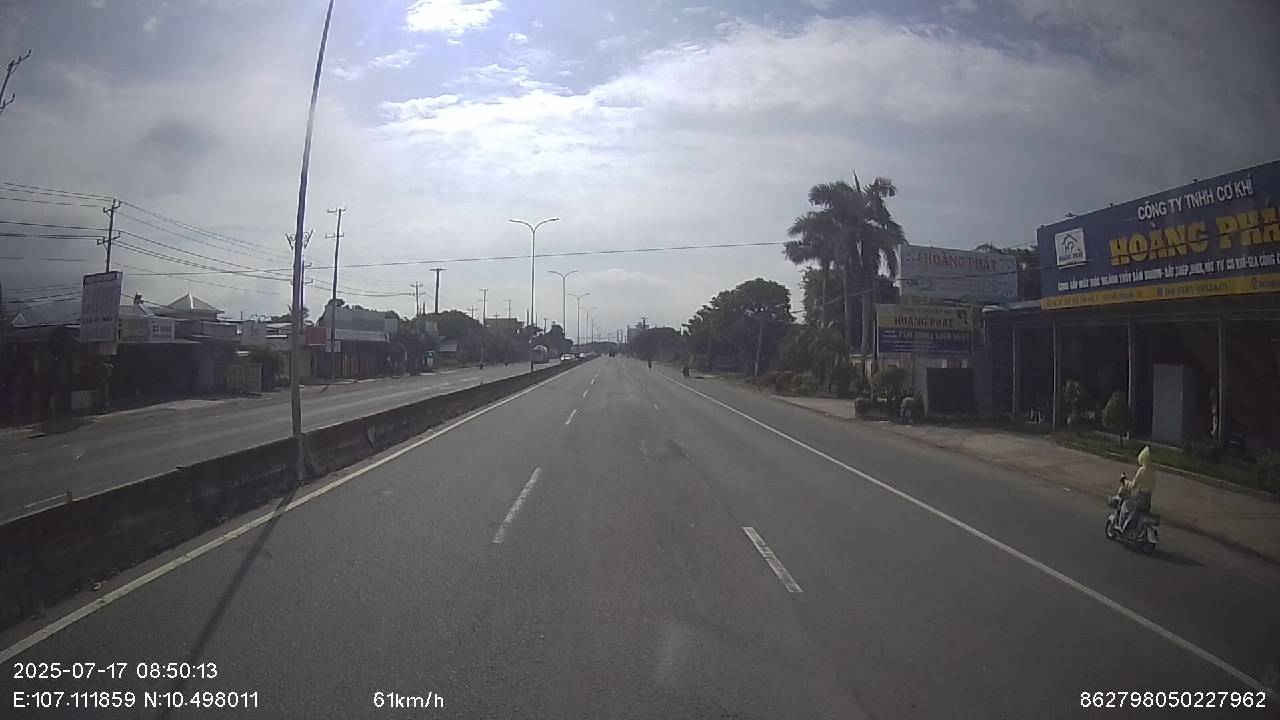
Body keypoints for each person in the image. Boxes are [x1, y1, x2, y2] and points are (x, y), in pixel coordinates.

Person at [1118, 446, 1157, 535]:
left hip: (1140, 499)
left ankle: (1121, 527)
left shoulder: (1142, 471)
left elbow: (1132, 486)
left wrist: (1124, 480)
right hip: (1147, 501)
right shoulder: (1152, 471)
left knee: (1125, 505)